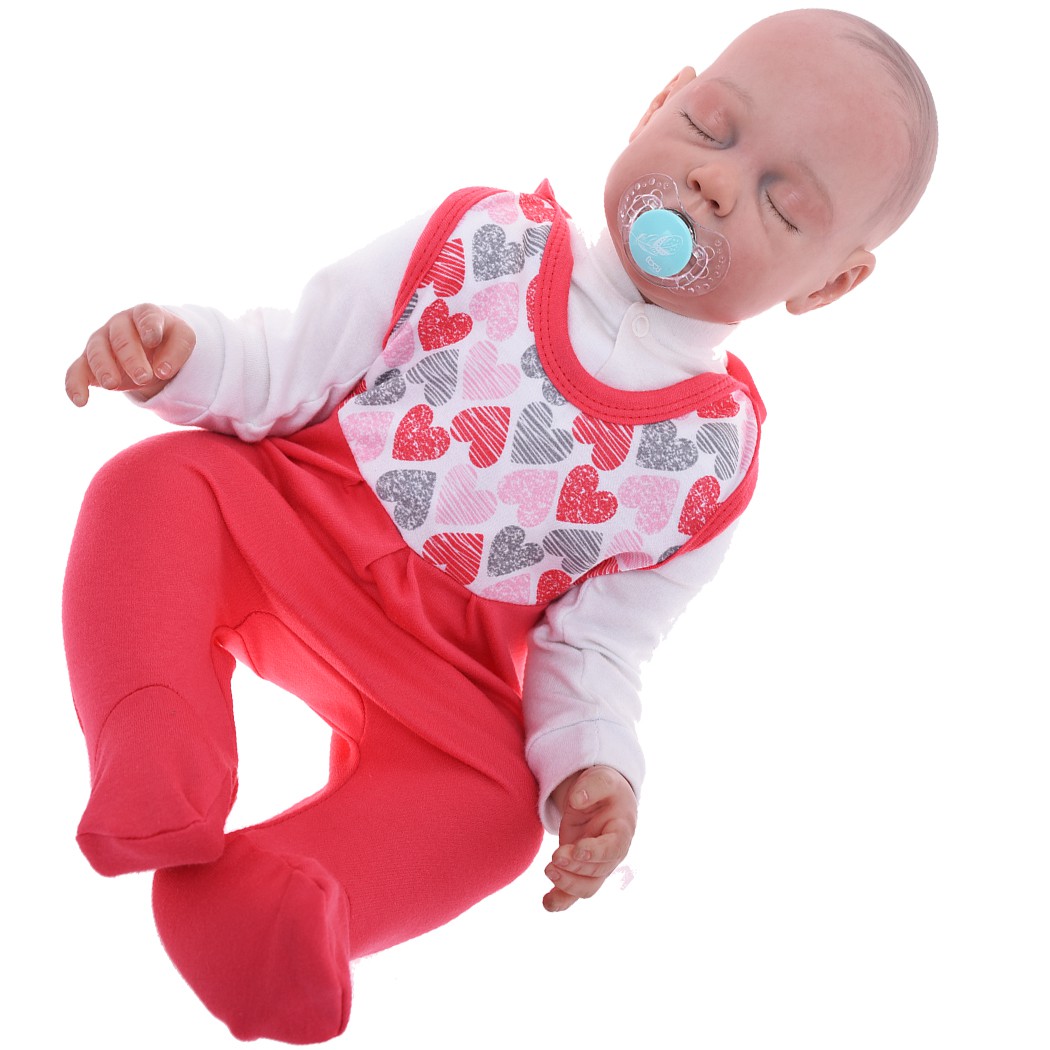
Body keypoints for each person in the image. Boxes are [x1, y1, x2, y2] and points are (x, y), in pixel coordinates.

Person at [62, 8, 936, 1044]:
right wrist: (180, 356)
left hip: (437, 668)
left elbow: (598, 647)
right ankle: (159, 744)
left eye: (782, 206)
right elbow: (288, 360)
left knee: (492, 812)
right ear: (657, 104)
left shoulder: (712, 459)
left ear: (830, 282)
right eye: (708, 129)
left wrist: (596, 769)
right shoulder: (481, 239)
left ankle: (281, 903)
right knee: (157, 488)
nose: (713, 183)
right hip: (283, 523)